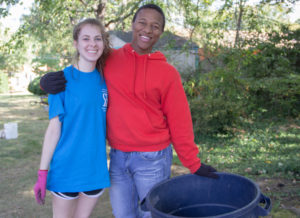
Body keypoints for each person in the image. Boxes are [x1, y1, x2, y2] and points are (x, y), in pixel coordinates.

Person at [40, 4, 218, 218]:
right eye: (142, 22)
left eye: (155, 26)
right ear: (133, 25)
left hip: (152, 159)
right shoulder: (110, 59)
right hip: (118, 158)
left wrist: (193, 163)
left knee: (151, 215)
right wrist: (45, 81)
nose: (147, 30)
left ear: (161, 32)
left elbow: (180, 121)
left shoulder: (168, 73)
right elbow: (83, 67)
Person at [33, 18, 111, 218]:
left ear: (104, 42)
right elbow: (53, 130)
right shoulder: (60, 82)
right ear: (76, 43)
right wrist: (42, 173)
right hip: (66, 169)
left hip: (95, 169)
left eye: (97, 38)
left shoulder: (107, 78)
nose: (92, 44)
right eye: (85, 38)